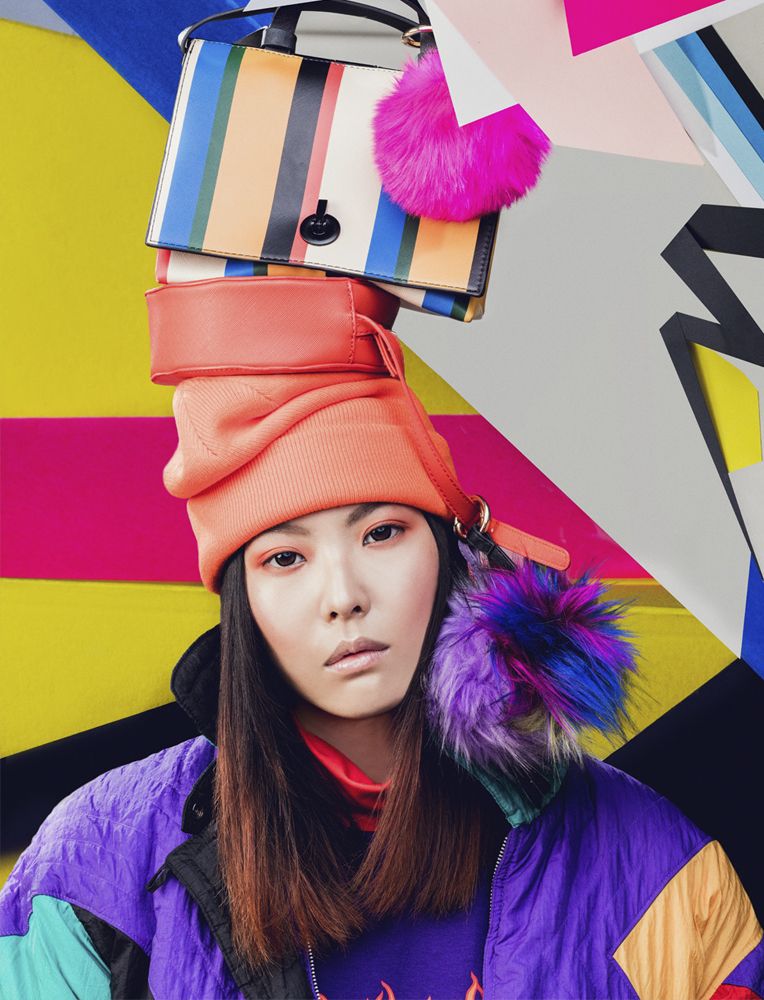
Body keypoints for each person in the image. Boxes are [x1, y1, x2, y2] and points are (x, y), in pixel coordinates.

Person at [1, 276, 762, 1000]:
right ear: (242, 602)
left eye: (382, 533)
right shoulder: (95, 869)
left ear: (451, 551)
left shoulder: (655, 872)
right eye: (285, 558)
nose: (344, 596)